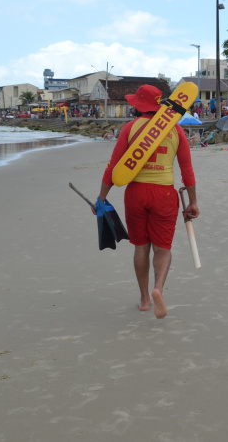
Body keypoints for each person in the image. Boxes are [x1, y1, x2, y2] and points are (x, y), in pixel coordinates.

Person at [95, 84, 199, 319]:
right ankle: (158, 289)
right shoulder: (175, 129)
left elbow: (113, 166)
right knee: (163, 249)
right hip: (164, 195)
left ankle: (144, 298)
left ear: (139, 105)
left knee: (141, 247)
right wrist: (192, 202)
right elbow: (187, 170)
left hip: (136, 194)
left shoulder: (130, 128)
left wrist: (101, 197)